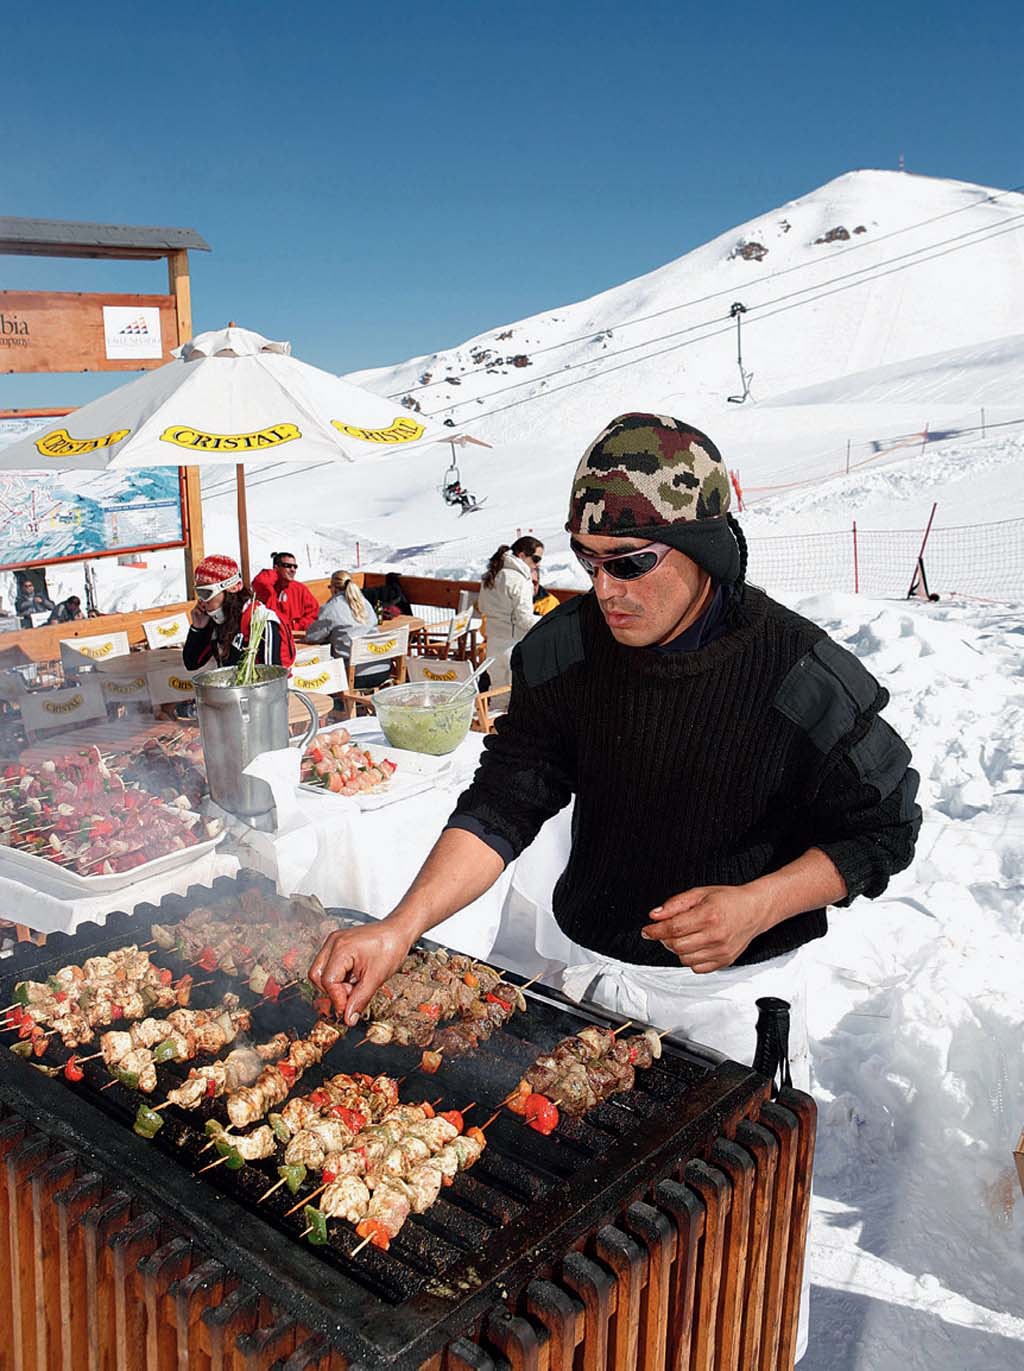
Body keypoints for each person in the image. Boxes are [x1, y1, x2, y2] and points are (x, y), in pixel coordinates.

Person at [309, 413, 921, 1361]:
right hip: (586, 987)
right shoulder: (567, 652)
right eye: (585, 559)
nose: (603, 588)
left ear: (704, 548)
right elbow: (507, 797)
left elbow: (889, 823)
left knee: (715, 1254)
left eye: (629, 562)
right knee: (578, 1257)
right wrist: (399, 926)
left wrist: (759, 901)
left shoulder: (797, 674)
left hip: (723, 1006)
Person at [183, 554, 293, 671]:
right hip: (230, 686)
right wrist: (198, 628)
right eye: (198, 593)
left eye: (206, 593)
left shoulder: (260, 619)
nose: (202, 601)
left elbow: (272, 675)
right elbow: (192, 663)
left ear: (230, 589)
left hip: (258, 687)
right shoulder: (217, 619)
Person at [477, 536, 544, 689]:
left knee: (496, 694)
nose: (538, 564)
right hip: (513, 645)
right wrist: (548, 620)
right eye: (535, 559)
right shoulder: (521, 580)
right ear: (522, 555)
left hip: (493, 645)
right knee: (514, 698)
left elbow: (482, 606)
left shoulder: (494, 573)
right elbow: (524, 620)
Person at [305, 570, 390, 689]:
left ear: (334, 588)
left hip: (355, 674)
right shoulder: (364, 603)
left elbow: (312, 636)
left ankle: (336, 703)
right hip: (383, 669)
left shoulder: (331, 608)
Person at [252, 552, 320, 634]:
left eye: (295, 567)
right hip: (273, 637)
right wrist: (275, 573)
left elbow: (314, 614)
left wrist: (295, 626)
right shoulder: (268, 589)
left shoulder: (300, 589)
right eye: (287, 566)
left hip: (295, 638)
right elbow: (261, 582)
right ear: (276, 568)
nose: (293, 570)